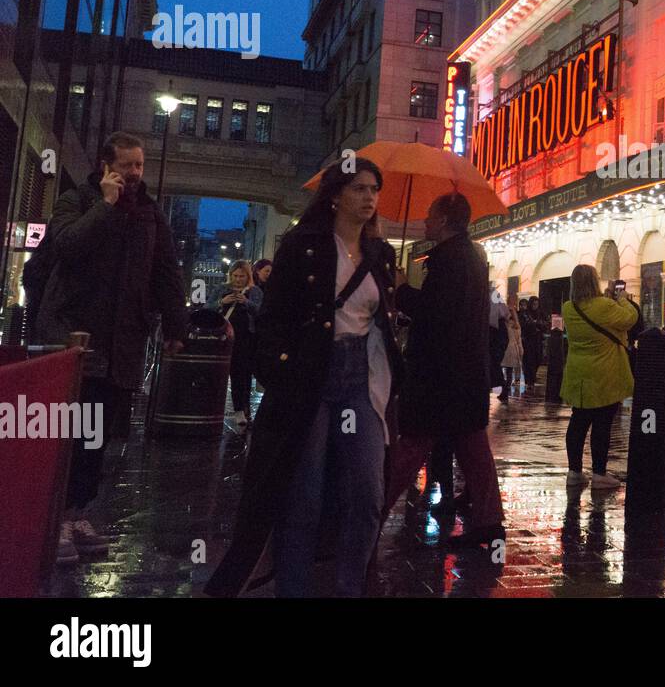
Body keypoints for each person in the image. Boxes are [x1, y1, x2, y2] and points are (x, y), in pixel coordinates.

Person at [205, 157, 404, 597]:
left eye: (375, 189)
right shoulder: (302, 245)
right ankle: (292, 589)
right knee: (303, 497)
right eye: (359, 188)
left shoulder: (380, 254)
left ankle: (351, 587)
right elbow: (274, 318)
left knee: (368, 494)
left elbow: (382, 321)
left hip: (361, 379)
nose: (370, 197)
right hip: (307, 379)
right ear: (335, 195)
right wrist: (279, 371)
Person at [34, 131, 187, 566]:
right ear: (106, 165)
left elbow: (166, 271)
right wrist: (104, 205)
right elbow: (66, 245)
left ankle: (78, 512)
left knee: (96, 436)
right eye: (127, 165)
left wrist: (176, 323)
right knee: (69, 433)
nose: (135, 174)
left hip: (121, 343)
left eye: (139, 165)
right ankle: (57, 517)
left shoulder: (150, 215)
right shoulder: (77, 200)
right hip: (75, 338)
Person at [393, 192, 505, 548]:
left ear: (442, 220)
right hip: (466, 372)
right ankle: (489, 523)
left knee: (410, 445)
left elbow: (434, 313)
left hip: (440, 374)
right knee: (473, 448)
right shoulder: (471, 255)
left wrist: (400, 290)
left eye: (430, 214)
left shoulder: (449, 259)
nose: (425, 220)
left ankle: (367, 517)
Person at [560, 266, 638, 489]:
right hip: (604, 374)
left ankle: (574, 472)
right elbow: (630, 318)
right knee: (602, 424)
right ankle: (599, 474)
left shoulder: (568, 308)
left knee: (578, 422)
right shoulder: (604, 306)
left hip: (578, 375)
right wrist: (621, 298)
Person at [216, 259, 263, 428]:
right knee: (219, 374)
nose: (238, 279)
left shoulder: (254, 291)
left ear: (247, 276)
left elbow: (261, 312)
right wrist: (222, 302)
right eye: (235, 276)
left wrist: (246, 302)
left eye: (242, 276)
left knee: (241, 375)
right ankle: (215, 409)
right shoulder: (222, 289)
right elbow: (208, 309)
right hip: (224, 337)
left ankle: (241, 410)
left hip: (245, 338)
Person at [488, 286, 510, 402]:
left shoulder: (491, 294)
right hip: (500, 331)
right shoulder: (495, 294)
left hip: (494, 331)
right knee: (494, 362)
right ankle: (502, 390)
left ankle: (502, 389)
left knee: (493, 362)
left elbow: (492, 317)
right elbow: (506, 313)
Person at [501, 295, 524, 395]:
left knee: (507, 370)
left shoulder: (506, 326)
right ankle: (506, 389)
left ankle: (505, 390)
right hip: (513, 349)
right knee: (509, 370)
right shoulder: (516, 327)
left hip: (507, 348)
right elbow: (519, 340)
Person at [521, 297, 544, 387]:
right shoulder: (526, 313)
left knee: (538, 358)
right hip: (528, 340)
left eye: (537, 304)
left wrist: (538, 323)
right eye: (534, 304)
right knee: (529, 360)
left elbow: (545, 323)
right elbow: (525, 325)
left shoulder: (540, 313)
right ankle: (529, 380)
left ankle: (532, 377)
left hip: (538, 340)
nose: (535, 306)